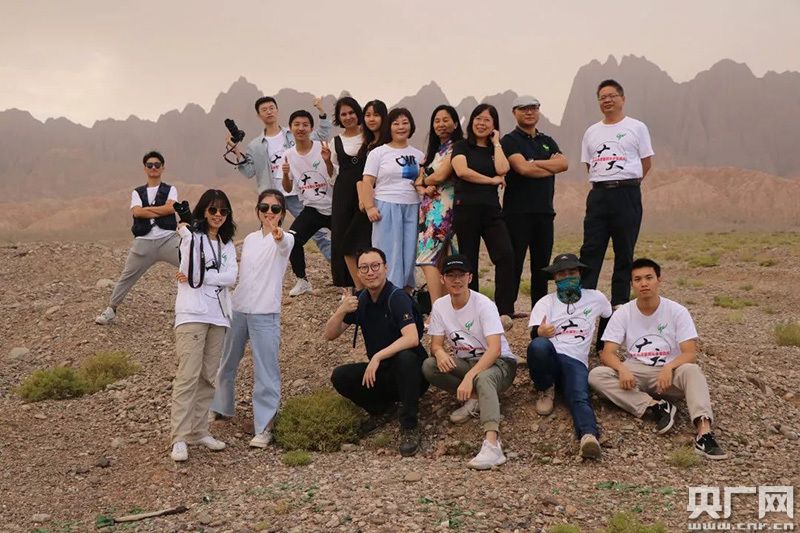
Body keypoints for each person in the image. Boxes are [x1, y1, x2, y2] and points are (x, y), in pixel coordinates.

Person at [588, 258, 728, 460]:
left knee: (692, 370)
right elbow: (607, 352)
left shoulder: (677, 311)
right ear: (632, 284)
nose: (644, 284)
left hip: (670, 375)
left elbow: (689, 353)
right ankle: (655, 406)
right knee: (596, 375)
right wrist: (622, 368)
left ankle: (704, 434)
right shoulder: (623, 313)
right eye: (638, 279)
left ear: (659, 280)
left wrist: (669, 367)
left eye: (649, 278)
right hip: (636, 372)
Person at [324, 247, 429, 456]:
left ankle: (409, 426)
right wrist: (341, 311)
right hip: (383, 373)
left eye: (375, 266)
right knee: (341, 376)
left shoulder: (396, 297)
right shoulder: (361, 298)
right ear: (358, 272)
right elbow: (330, 334)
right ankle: (382, 410)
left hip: (413, 376)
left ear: (385, 268)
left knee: (406, 358)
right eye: (364, 268)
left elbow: (411, 338)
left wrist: (378, 356)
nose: (370, 272)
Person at [211, 189, 294, 448]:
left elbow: (283, 244)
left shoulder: (286, 239)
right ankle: (221, 407)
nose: (269, 213)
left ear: (282, 213)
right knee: (227, 362)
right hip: (239, 309)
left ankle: (265, 425)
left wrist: (279, 235)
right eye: (264, 207)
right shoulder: (250, 239)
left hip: (265, 313)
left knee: (265, 370)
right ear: (257, 210)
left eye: (275, 209)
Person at [422, 255, 517, 470]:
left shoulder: (483, 304)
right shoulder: (440, 306)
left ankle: (493, 445)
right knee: (429, 366)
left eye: (461, 275)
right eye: (451, 275)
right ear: (442, 279)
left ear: (470, 277)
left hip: (500, 363)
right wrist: (439, 352)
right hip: (467, 361)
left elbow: (495, 349)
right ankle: (475, 398)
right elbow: (435, 344)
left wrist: (469, 376)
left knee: (483, 378)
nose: (456, 280)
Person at [226, 95, 332, 283]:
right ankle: (266, 278)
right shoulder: (255, 146)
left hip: (297, 193)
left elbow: (322, 134)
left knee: (319, 235)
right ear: (258, 115)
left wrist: (321, 111)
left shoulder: (293, 133)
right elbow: (249, 171)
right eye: (264, 110)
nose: (269, 112)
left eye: (271, 108)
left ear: (277, 110)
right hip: (272, 198)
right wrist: (235, 150)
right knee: (268, 236)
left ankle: (340, 270)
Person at [170, 189, 238, 462]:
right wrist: (204, 275)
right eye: (212, 210)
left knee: (209, 376)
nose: (218, 215)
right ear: (203, 211)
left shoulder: (227, 244)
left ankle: (198, 431)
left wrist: (204, 277)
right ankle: (179, 436)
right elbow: (189, 270)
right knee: (188, 376)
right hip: (192, 314)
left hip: (218, 316)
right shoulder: (192, 237)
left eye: (223, 211)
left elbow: (231, 277)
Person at [578, 80, 654, 319]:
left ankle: (619, 303)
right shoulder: (591, 131)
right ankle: (585, 300)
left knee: (624, 249)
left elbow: (646, 162)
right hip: (599, 194)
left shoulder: (637, 127)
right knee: (591, 248)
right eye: (602, 97)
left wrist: (627, 182)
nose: (607, 100)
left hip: (626, 193)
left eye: (612, 96)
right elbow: (590, 164)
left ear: (623, 98)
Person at [526, 253, 611, 459]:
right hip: (551, 356)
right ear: (554, 277)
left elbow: (609, 317)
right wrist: (540, 332)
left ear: (580, 273)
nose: (567, 277)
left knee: (579, 396)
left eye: (572, 272)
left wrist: (602, 346)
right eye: (561, 274)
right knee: (538, 346)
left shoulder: (596, 298)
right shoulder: (546, 302)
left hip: (576, 360)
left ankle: (588, 436)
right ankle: (545, 388)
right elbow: (533, 332)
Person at [95, 151, 180, 325]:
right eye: (150, 165)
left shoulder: (171, 189)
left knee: (193, 264)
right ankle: (111, 309)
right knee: (127, 276)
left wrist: (147, 210)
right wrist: (159, 210)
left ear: (163, 168)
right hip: (143, 243)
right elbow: (137, 212)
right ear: (144, 169)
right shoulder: (137, 192)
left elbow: (171, 209)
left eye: (157, 165)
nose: (153, 167)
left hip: (168, 240)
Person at [501, 96, 568, 314]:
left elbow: (563, 164)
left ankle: (539, 311)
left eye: (533, 108)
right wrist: (549, 165)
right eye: (523, 109)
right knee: (514, 263)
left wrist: (533, 163)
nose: (529, 112)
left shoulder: (547, 140)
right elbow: (522, 169)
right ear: (514, 112)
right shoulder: (509, 141)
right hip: (517, 213)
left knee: (542, 266)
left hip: (545, 212)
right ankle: (507, 310)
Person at [451, 104, 515, 329]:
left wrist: (496, 143)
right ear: (471, 121)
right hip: (466, 208)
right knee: (469, 260)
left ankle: (504, 310)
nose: (481, 123)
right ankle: (472, 309)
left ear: (494, 125)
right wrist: (490, 180)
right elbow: (462, 171)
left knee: (505, 254)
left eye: (487, 120)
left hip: (491, 209)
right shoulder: (461, 146)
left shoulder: (494, 149)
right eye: (478, 118)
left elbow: (503, 169)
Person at [361, 108, 424, 292]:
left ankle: (405, 295)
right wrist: (370, 207)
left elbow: (421, 182)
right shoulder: (378, 153)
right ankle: (385, 292)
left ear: (411, 126)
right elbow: (367, 181)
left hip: (413, 207)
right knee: (388, 251)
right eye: (396, 123)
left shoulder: (419, 155)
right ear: (389, 127)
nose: (400, 127)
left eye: (405, 123)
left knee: (409, 253)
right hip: (386, 206)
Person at [415, 105, 463, 308]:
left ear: (455, 123)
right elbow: (418, 182)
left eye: (445, 120)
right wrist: (423, 184)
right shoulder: (434, 152)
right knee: (440, 260)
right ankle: (446, 309)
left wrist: (424, 181)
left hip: (443, 210)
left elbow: (441, 176)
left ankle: (436, 310)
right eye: (437, 121)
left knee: (426, 258)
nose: (441, 124)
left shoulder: (456, 148)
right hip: (428, 210)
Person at [281, 110, 334, 296]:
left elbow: (335, 174)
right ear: (291, 128)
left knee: (345, 245)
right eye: (297, 124)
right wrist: (285, 174)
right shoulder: (288, 155)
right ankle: (302, 281)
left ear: (311, 128)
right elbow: (287, 188)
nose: (301, 128)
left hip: (335, 206)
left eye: (305, 125)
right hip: (312, 208)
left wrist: (328, 161)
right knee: (292, 240)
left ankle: (349, 284)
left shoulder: (323, 147)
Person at [329, 96, 371, 290]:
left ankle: (371, 281)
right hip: (343, 193)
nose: (348, 117)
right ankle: (349, 285)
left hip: (366, 191)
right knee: (341, 235)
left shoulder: (369, 137)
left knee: (365, 236)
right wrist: (327, 161)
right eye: (343, 114)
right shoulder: (335, 141)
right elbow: (332, 173)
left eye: (351, 112)